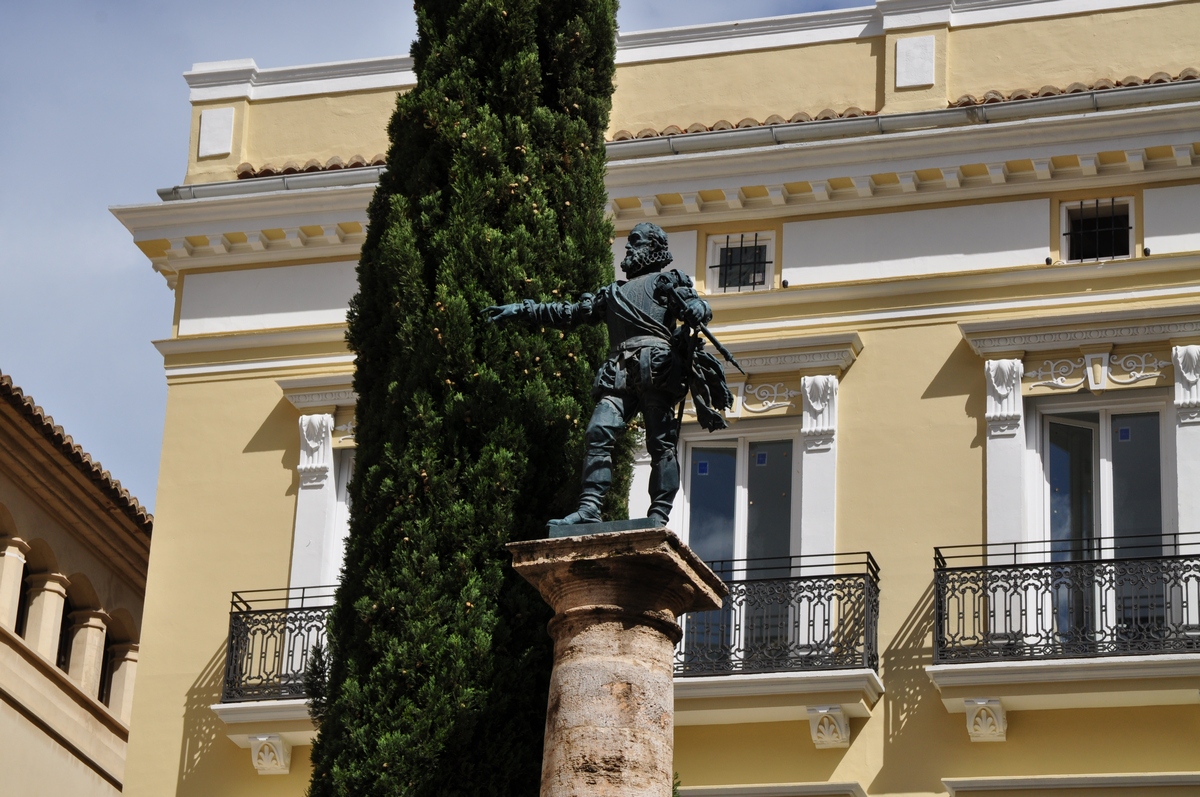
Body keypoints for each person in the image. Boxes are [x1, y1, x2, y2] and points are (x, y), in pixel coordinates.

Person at [486, 222, 730, 528]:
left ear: (653, 248)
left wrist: (698, 307)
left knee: (661, 443)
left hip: (657, 367)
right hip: (618, 371)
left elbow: (697, 305)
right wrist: (524, 309)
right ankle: (589, 507)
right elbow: (568, 313)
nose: (627, 249)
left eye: (635, 243)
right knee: (597, 431)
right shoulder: (612, 293)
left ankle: (659, 512)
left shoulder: (668, 281)